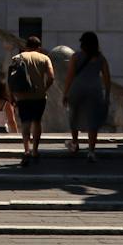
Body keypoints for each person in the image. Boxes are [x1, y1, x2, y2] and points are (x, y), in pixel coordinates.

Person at [63, 31, 112, 159]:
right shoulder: (101, 58)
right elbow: (107, 78)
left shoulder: (75, 57)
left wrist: (65, 93)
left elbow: (69, 77)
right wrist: (107, 94)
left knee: (74, 115)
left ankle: (74, 143)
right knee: (92, 121)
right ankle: (91, 151)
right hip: (95, 90)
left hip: (77, 89)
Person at [8, 35, 55, 164]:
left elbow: (11, 79)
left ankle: (26, 150)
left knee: (25, 123)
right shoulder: (45, 58)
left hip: (22, 96)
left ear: (26, 46)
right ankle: (35, 150)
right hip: (39, 96)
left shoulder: (18, 58)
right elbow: (51, 77)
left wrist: (11, 95)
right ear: (39, 47)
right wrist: (44, 89)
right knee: (37, 122)